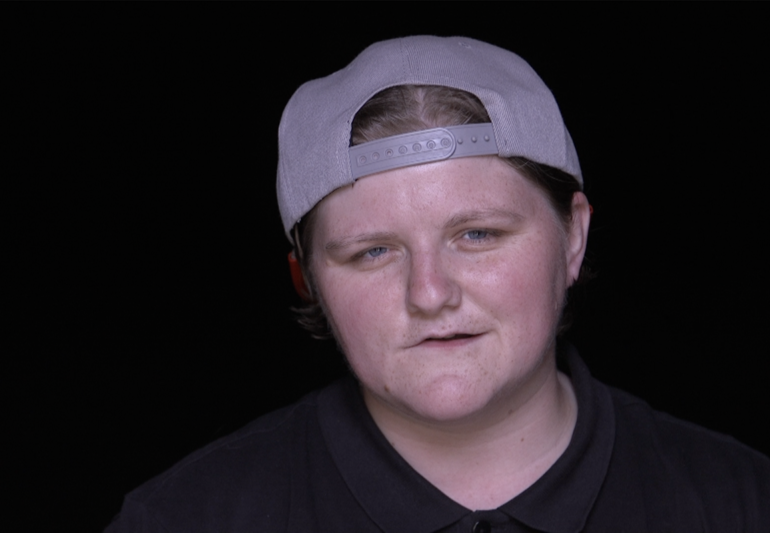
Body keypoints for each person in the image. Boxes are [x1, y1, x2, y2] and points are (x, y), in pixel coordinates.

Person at [105, 36, 769, 532]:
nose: (429, 292)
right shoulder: (182, 518)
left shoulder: (741, 502)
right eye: (371, 251)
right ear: (307, 281)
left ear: (573, 237)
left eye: (476, 234)